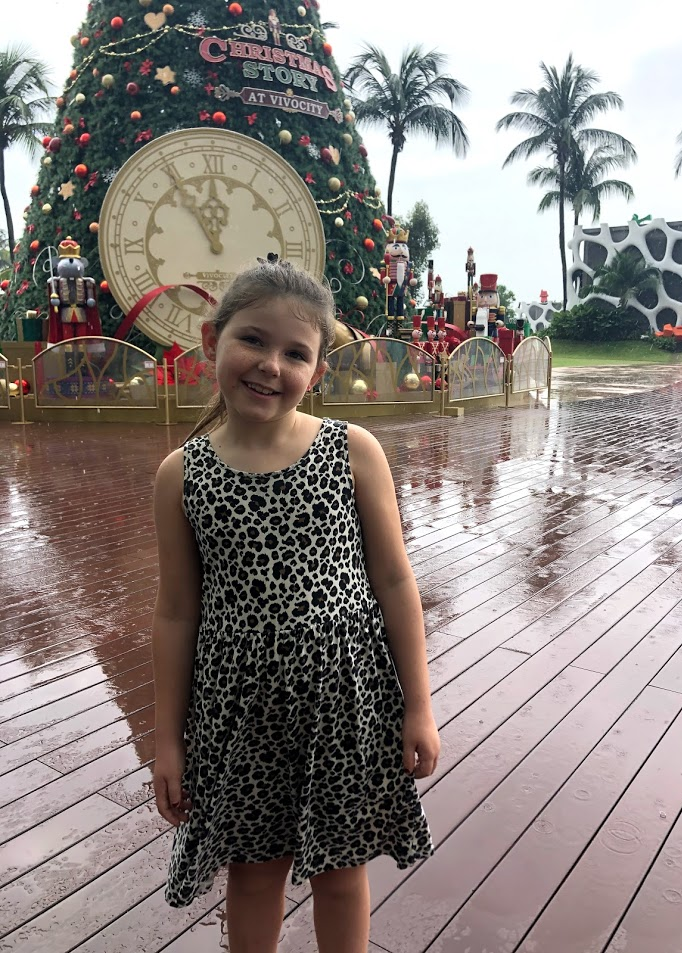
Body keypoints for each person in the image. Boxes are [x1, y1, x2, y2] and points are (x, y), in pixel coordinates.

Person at [151, 258, 440, 953]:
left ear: (317, 369)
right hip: (237, 710)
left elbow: (394, 582)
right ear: (211, 339)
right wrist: (167, 740)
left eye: (295, 353)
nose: (270, 365)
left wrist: (418, 704)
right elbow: (176, 611)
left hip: (342, 700)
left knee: (341, 871)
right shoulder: (182, 474)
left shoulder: (351, 451)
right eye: (252, 340)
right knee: (253, 873)